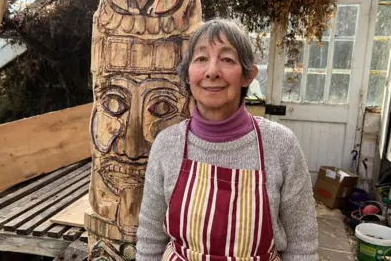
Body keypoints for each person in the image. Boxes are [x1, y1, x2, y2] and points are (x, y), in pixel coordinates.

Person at [136, 18, 318, 261]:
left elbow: (302, 246)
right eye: (201, 59)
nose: (212, 71)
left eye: (227, 59)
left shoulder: (280, 145)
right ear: (188, 75)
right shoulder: (167, 144)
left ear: (247, 76)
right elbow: (150, 239)